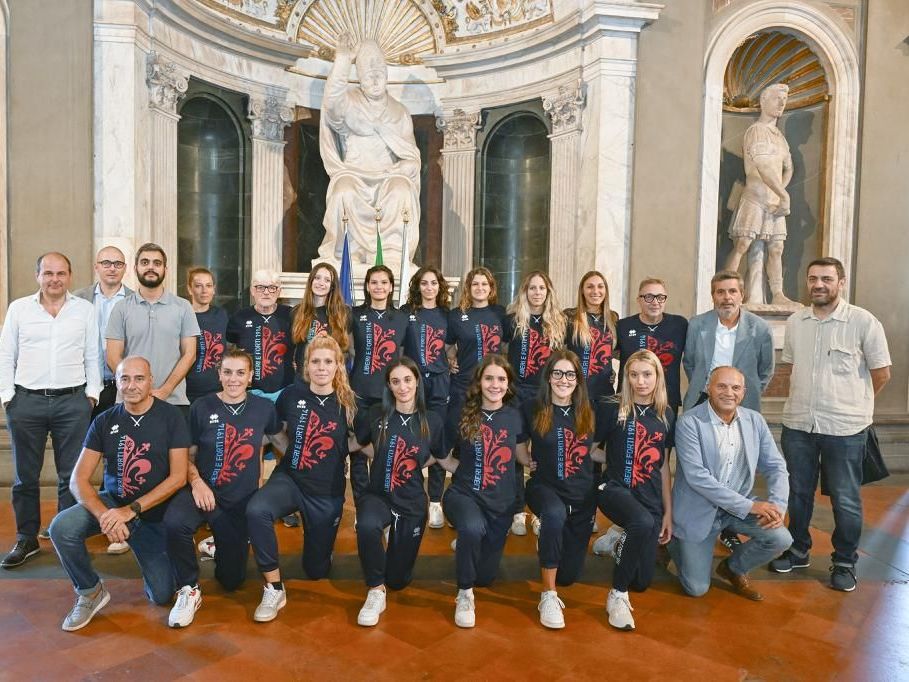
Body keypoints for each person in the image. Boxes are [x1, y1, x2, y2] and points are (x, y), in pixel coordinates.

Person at [770, 257, 891, 592]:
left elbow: (881, 373)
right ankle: (797, 549)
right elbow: (791, 368)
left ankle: (844, 562)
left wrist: (854, 404)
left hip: (846, 430)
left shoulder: (864, 322)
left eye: (826, 278)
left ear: (841, 282)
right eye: (812, 278)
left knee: (845, 499)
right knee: (798, 493)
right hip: (798, 425)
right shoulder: (797, 322)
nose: (818, 284)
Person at [47, 356, 190, 631]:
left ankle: (166, 559)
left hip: (151, 513)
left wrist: (131, 511)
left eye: (139, 378)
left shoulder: (171, 416)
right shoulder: (104, 420)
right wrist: (106, 516)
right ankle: (90, 591)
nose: (131, 385)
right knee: (61, 528)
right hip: (113, 502)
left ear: (151, 382)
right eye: (124, 379)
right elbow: (78, 479)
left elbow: (178, 477)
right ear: (118, 383)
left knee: (161, 596)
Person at [163, 347, 282, 628]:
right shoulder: (201, 407)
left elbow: (281, 446)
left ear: (251, 376)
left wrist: (278, 480)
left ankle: (218, 544)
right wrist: (197, 483)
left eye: (241, 373)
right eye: (227, 372)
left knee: (231, 580)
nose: (233, 379)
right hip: (202, 492)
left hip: (238, 501)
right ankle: (188, 588)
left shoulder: (264, 408)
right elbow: (186, 457)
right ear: (219, 374)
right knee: (174, 522)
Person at [245, 336, 357, 622]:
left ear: (338, 366)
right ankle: (273, 587)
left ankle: (317, 538)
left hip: (325, 491)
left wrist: (338, 450)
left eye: (328, 362)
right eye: (315, 361)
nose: (321, 367)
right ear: (307, 365)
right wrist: (292, 451)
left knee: (316, 570)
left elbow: (360, 442)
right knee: (258, 510)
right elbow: (274, 432)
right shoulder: (291, 395)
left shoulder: (348, 403)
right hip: (291, 479)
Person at [0, 252, 100, 568]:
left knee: (70, 476)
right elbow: (6, 354)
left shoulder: (84, 310)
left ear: (70, 276)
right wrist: (8, 397)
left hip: (72, 402)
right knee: (25, 477)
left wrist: (92, 395)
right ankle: (27, 539)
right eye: (48, 273)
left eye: (61, 273)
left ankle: (63, 536)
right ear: (38, 276)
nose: (54, 279)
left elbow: (93, 354)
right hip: (26, 401)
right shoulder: (19, 309)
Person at [669, 366, 791, 602]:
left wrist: (777, 507)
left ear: (743, 392)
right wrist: (750, 506)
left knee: (781, 538)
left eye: (735, 388)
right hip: (699, 509)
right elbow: (697, 477)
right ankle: (675, 542)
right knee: (696, 588)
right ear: (708, 388)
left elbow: (776, 466)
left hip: (736, 508)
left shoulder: (754, 420)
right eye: (721, 386)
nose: (729, 393)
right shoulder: (689, 422)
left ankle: (733, 567)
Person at [352, 357, 453, 626]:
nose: (402, 386)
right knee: (366, 524)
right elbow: (360, 444)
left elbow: (442, 457)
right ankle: (375, 591)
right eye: (395, 381)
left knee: (398, 580)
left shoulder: (432, 420)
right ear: (388, 385)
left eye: (407, 380)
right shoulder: (376, 413)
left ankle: (391, 555)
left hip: (411, 503)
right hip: (379, 495)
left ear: (417, 381)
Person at [318, 32, 421, 269]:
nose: (375, 81)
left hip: (389, 175)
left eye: (379, 75)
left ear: (386, 76)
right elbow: (332, 104)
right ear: (360, 78)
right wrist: (343, 62)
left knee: (402, 190)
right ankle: (349, 251)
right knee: (343, 191)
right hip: (354, 174)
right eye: (368, 76)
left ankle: (393, 252)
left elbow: (412, 155)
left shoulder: (399, 111)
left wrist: (407, 166)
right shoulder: (350, 102)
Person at [442, 354, 531, 628]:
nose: (495, 385)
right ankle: (464, 593)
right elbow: (444, 458)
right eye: (489, 378)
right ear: (479, 382)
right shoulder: (461, 411)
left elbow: (521, 456)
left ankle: (471, 544)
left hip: (501, 503)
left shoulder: (515, 415)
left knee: (486, 577)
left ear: (509, 384)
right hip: (464, 495)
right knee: (471, 528)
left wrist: (540, 461)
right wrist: (465, 472)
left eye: (501, 379)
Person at [595, 350, 674, 631]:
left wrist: (668, 512)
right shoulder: (612, 407)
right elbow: (591, 450)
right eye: (634, 374)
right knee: (640, 522)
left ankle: (619, 539)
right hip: (615, 489)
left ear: (657, 377)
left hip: (649, 496)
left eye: (647, 374)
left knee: (641, 582)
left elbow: (663, 466)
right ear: (626, 378)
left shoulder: (666, 414)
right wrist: (618, 458)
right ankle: (616, 595)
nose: (641, 381)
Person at [523, 351, 599, 629]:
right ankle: (548, 595)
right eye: (557, 373)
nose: (563, 380)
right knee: (554, 515)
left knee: (569, 575)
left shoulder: (589, 411)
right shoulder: (533, 407)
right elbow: (519, 445)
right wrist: (526, 459)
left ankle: (551, 545)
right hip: (544, 487)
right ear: (548, 377)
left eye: (570, 374)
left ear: (578, 380)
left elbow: (594, 450)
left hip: (581, 494)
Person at [106, 243, 200, 421]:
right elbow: (112, 357)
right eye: (145, 262)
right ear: (135, 268)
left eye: (157, 263)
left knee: (175, 450)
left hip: (173, 401)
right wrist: (135, 389)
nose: (151, 267)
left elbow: (190, 354)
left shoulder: (183, 307)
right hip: (129, 401)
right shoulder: (121, 308)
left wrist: (164, 391)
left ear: (165, 269)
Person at [504, 271, 566, 536]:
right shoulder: (513, 320)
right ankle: (517, 510)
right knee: (516, 452)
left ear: (548, 291)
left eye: (541, 288)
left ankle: (540, 511)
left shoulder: (559, 322)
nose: (537, 292)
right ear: (524, 291)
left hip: (545, 395)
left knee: (543, 450)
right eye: (532, 288)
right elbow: (501, 353)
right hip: (518, 393)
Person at [725, 83, 795, 305]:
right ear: (763, 101)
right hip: (755, 197)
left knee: (776, 248)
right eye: (777, 98)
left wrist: (780, 193)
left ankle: (777, 294)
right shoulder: (756, 131)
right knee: (743, 245)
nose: (782, 103)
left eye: (784, 99)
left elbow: (789, 167)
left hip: (774, 200)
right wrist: (783, 194)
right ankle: (726, 290)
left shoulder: (779, 136)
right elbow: (763, 166)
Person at [348, 265, 408, 502]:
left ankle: (383, 501)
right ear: (367, 286)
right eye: (374, 282)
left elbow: (403, 355)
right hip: (360, 392)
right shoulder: (354, 315)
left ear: (391, 287)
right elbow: (349, 348)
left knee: (386, 451)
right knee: (359, 453)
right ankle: (362, 504)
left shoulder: (402, 318)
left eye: (384, 282)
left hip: (390, 395)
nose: (379, 287)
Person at [401, 266, 451, 529]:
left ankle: (435, 500)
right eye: (424, 283)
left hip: (441, 384)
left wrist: (451, 361)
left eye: (434, 282)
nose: (429, 287)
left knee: (437, 438)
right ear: (417, 286)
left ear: (439, 286)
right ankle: (412, 493)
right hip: (413, 384)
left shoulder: (448, 315)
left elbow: (455, 344)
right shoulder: (407, 313)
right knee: (411, 437)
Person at [682, 270, 774, 413]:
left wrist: (743, 392)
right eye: (720, 292)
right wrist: (705, 386)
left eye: (732, 291)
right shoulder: (697, 325)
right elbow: (689, 363)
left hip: (743, 404)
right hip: (702, 401)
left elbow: (766, 371)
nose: (727, 297)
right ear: (713, 296)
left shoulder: (760, 328)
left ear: (742, 296)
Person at [445, 266, 506, 437]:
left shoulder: (500, 313)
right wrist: (450, 359)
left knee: (491, 436)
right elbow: (447, 346)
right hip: (464, 385)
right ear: (468, 288)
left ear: (491, 288)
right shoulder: (457, 315)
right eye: (475, 284)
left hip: (494, 387)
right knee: (462, 437)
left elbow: (508, 344)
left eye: (484, 284)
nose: (480, 288)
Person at [75, 245, 134, 418]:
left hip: (119, 387)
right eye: (106, 263)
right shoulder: (78, 299)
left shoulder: (136, 300)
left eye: (118, 264)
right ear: (96, 267)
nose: (112, 268)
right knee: (83, 442)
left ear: (125, 268)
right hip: (83, 387)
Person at [615, 278, 687, 412]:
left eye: (660, 297)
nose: (655, 302)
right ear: (639, 300)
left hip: (666, 401)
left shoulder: (679, 325)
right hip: (629, 400)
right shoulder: (623, 326)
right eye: (648, 297)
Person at [226, 269, 295, 401]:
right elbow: (230, 351)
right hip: (249, 392)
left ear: (279, 291)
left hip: (285, 391)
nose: (266, 292)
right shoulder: (239, 318)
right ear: (252, 290)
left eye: (272, 287)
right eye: (260, 287)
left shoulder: (291, 315)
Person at [565, 271, 618, 405]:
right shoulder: (570, 316)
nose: (595, 291)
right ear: (582, 291)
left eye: (600, 286)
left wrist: (612, 372)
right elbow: (556, 351)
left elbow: (616, 352)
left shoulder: (613, 318)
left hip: (605, 394)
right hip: (576, 393)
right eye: (590, 287)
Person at [291, 262, 350, 370]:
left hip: (331, 379)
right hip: (302, 379)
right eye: (317, 278)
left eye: (327, 280)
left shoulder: (344, 313)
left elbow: (348, 350)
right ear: (311, 281)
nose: (321, 283)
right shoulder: (296, 312)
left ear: (332, 286)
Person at [185, 267, 228, 404]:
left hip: (218, 390)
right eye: (198, 286)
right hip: (188, 392)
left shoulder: (221, 315)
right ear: (190, 289)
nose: (204, 290)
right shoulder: (182, 316)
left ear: (214, 289)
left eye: (208, 286)